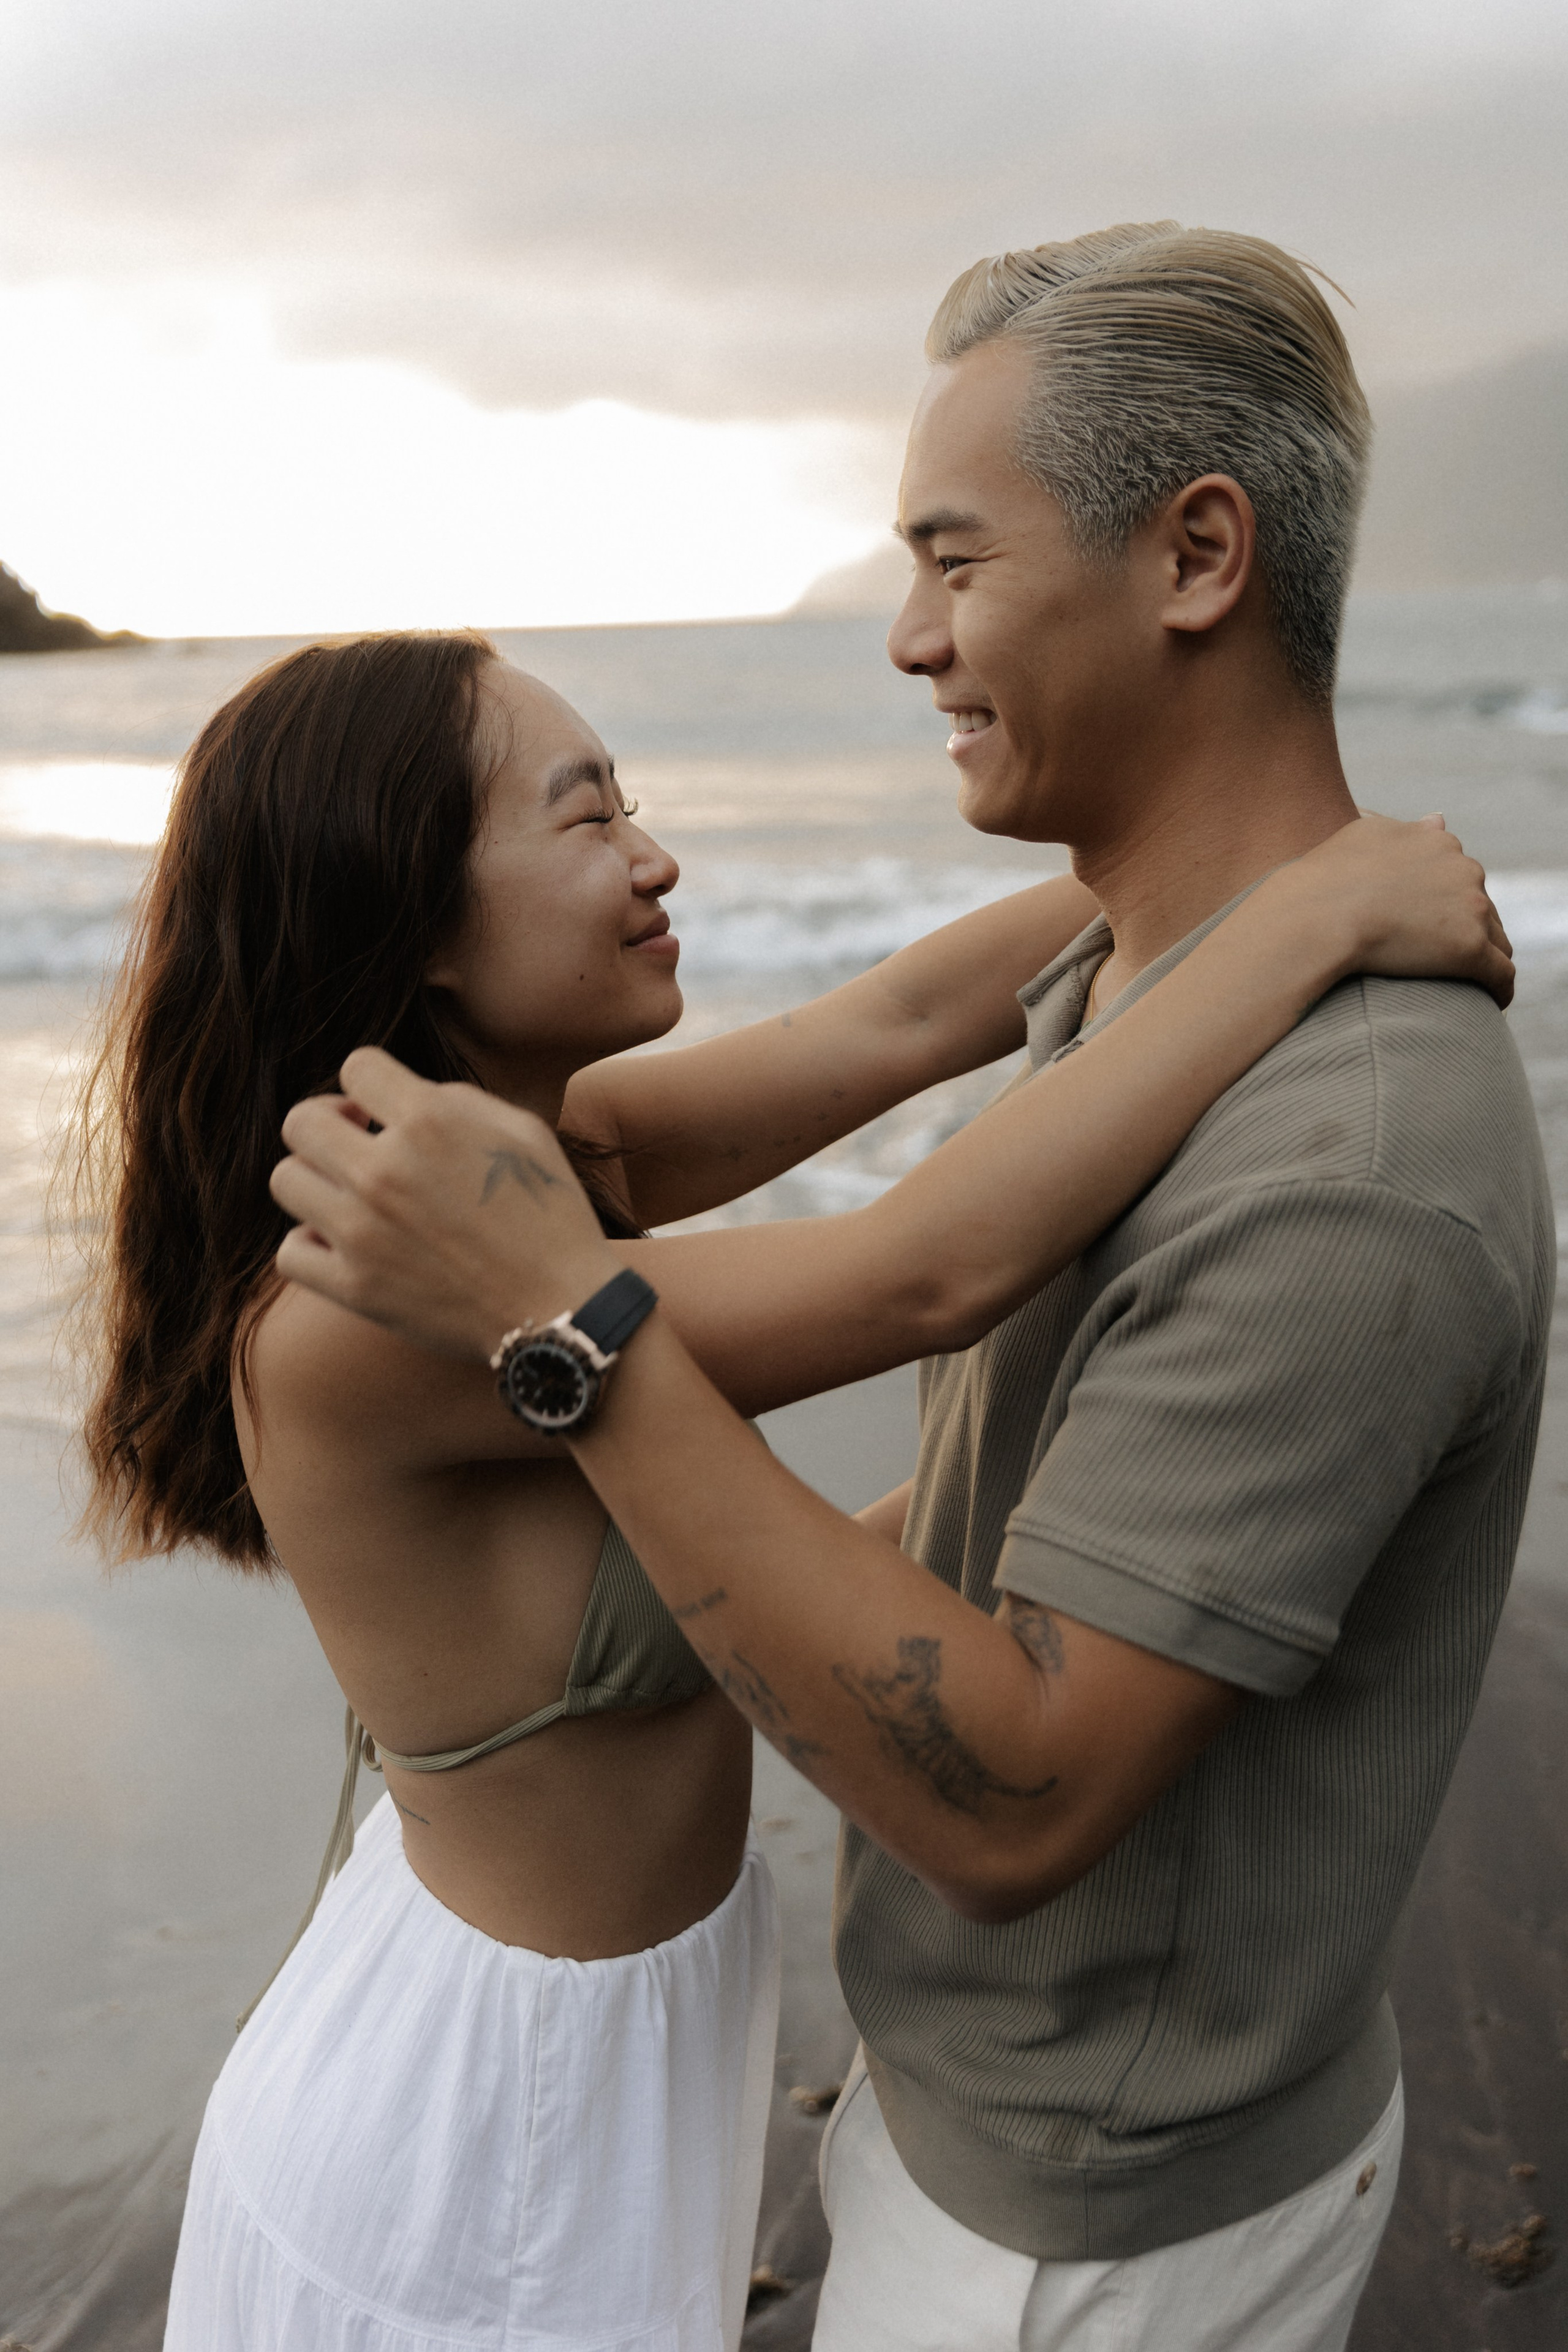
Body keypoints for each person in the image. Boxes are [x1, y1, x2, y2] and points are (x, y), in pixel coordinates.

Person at [270, 224, 1553, 2352]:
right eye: (586, 815)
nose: (903, 639)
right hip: (761, 2110)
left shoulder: (1338, 1153)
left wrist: (1290, 904)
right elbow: (920, 1255)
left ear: (1197, 557)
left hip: (1081, 2217)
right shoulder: (441, 1242)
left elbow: (1014, 1781)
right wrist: (1287, 904)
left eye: (954, 563)